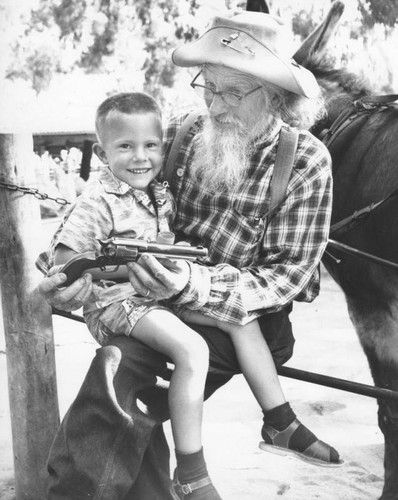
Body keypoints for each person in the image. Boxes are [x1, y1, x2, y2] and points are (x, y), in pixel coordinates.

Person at [38, 11, 338, 500]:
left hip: (245, 319)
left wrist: (191, 285)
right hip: (150, 298)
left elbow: (286, 278)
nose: (215, 106)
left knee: (123, 377)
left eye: (233, 93)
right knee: (132, 392)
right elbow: (112, 206)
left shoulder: (304, 162)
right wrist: (71, 266)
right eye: (209, 86)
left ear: (277, 98)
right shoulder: (180, 132)